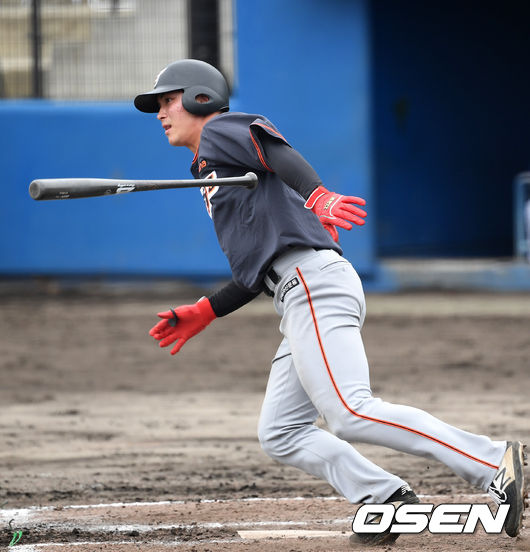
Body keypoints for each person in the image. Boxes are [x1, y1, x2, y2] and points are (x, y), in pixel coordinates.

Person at [134, 59, 526, 544]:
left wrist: (317, 195)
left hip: (311, 285)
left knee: (349, 411)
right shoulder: (213, 169)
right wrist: (207, 310)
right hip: (297, 292)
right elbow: (258, 268)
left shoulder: (221, 131)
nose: (160, 113)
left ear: (201, 98)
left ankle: (491, 461)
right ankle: (386, 498)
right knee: (281, 432)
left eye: (168, 101)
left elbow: (272, 150)